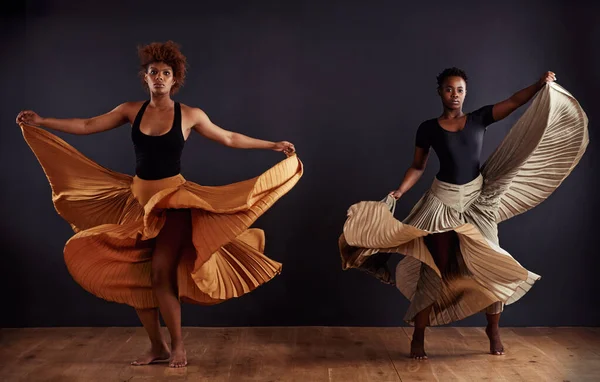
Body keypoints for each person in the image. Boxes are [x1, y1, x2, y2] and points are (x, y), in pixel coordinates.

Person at [17, 41, 303, 368]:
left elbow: (230, 138)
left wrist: (272, 145)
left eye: (166, 73)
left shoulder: (190, 115)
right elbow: (86, 125)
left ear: (174, 80)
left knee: (161, 272)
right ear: (146, 78)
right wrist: (42, 121)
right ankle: (158, 346)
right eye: (153, 73)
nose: (159, 78)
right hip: (137, 203)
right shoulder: (130, 110)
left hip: (174, 204)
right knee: (138, 276)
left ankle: (178, 345)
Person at [339, 67, 588, 360]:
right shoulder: (428, 128)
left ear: (465, 93)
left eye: (459, 90)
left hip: (477, 202)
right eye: (448, 89)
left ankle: (493, 330)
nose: (454, 95)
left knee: (492, 263)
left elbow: (513, 101)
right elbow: (418, 166)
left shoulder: (479, 118)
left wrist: (540, 84)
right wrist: (400, 191)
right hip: (441, 202)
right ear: (440, 92)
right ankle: (418, 334)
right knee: (435, 268)